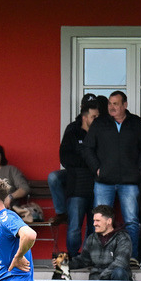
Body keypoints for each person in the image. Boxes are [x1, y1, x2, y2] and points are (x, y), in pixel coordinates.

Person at [82, 90, 141, 263]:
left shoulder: (137, 123)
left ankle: (130, 257)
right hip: (104, 181)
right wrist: (97, 169)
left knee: (132, 221)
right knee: (100, 221)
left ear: (125, 105)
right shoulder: (100, 123)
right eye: (110, 104)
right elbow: (88, 148)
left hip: (129, 181)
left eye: (116, 104)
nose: (111, 107)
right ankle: (100, 259)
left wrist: (139, 169)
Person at [58, 99, 101, 255]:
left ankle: (87, 256)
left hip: (97, 187)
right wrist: (89, 162)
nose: (96, 120)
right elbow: (65, 158)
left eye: (98, 117)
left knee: (94, 226)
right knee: (75, 226)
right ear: (85, 117)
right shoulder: (73, 132)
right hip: (76, 186)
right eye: (93, 117)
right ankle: (73, 256)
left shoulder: (100, 134)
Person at [48, 94, 98, 227]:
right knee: (53, 177)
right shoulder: (72, 129)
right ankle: (61, 212)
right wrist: (86, 161)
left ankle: (90, 248)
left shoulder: (101, 128)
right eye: (87, 108)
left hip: (95, 176)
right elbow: (64, 157)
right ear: (82, 109)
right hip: (75, 173)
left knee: (94, 226)